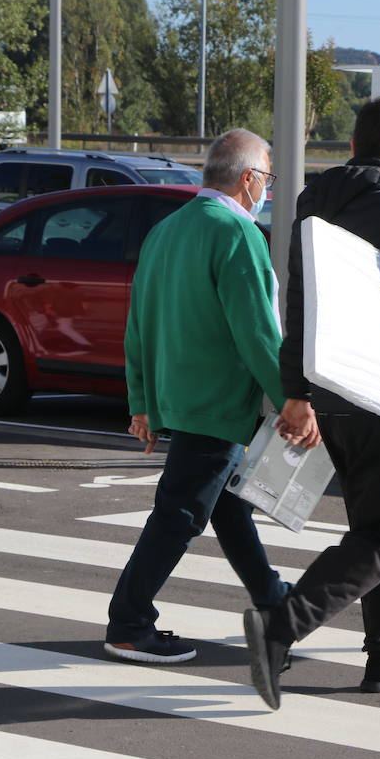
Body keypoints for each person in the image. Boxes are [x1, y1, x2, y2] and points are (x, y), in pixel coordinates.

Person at [244, 96, 380, 710]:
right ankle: (280, 625)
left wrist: (296, 391)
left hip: (328, 388)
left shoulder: (313, 201)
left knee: (376, 526)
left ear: (352, 146)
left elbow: (299, 304)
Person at [103, 129, 309, 664]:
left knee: (226, 506)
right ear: (248, 179)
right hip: (218, 400)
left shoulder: (167, 230)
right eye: (267, 177)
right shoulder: (238, 233)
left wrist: (141, 400)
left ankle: (274, 601)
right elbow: (257, 330)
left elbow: (139, 323)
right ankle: (129, 622)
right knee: (180, 514)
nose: (267, 188)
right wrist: (290, 398)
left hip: (182, 394)